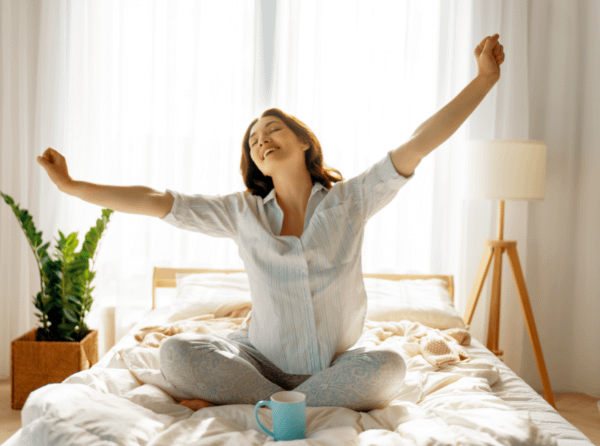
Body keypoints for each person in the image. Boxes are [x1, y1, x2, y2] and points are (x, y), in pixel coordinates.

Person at [38, 34, 504, 412]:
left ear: (303, 140)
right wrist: (73, 186)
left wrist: (483, 80)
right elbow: (158, 200)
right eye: (254, 141)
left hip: (337, 364)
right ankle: (285, 402)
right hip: (257, 361)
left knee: (391, 366)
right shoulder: (242, 212)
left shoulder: (353, 200)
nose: (262, 141)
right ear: (255, 164)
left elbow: (420, 142)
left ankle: (268, 406)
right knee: (175, 353)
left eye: (272, 130)